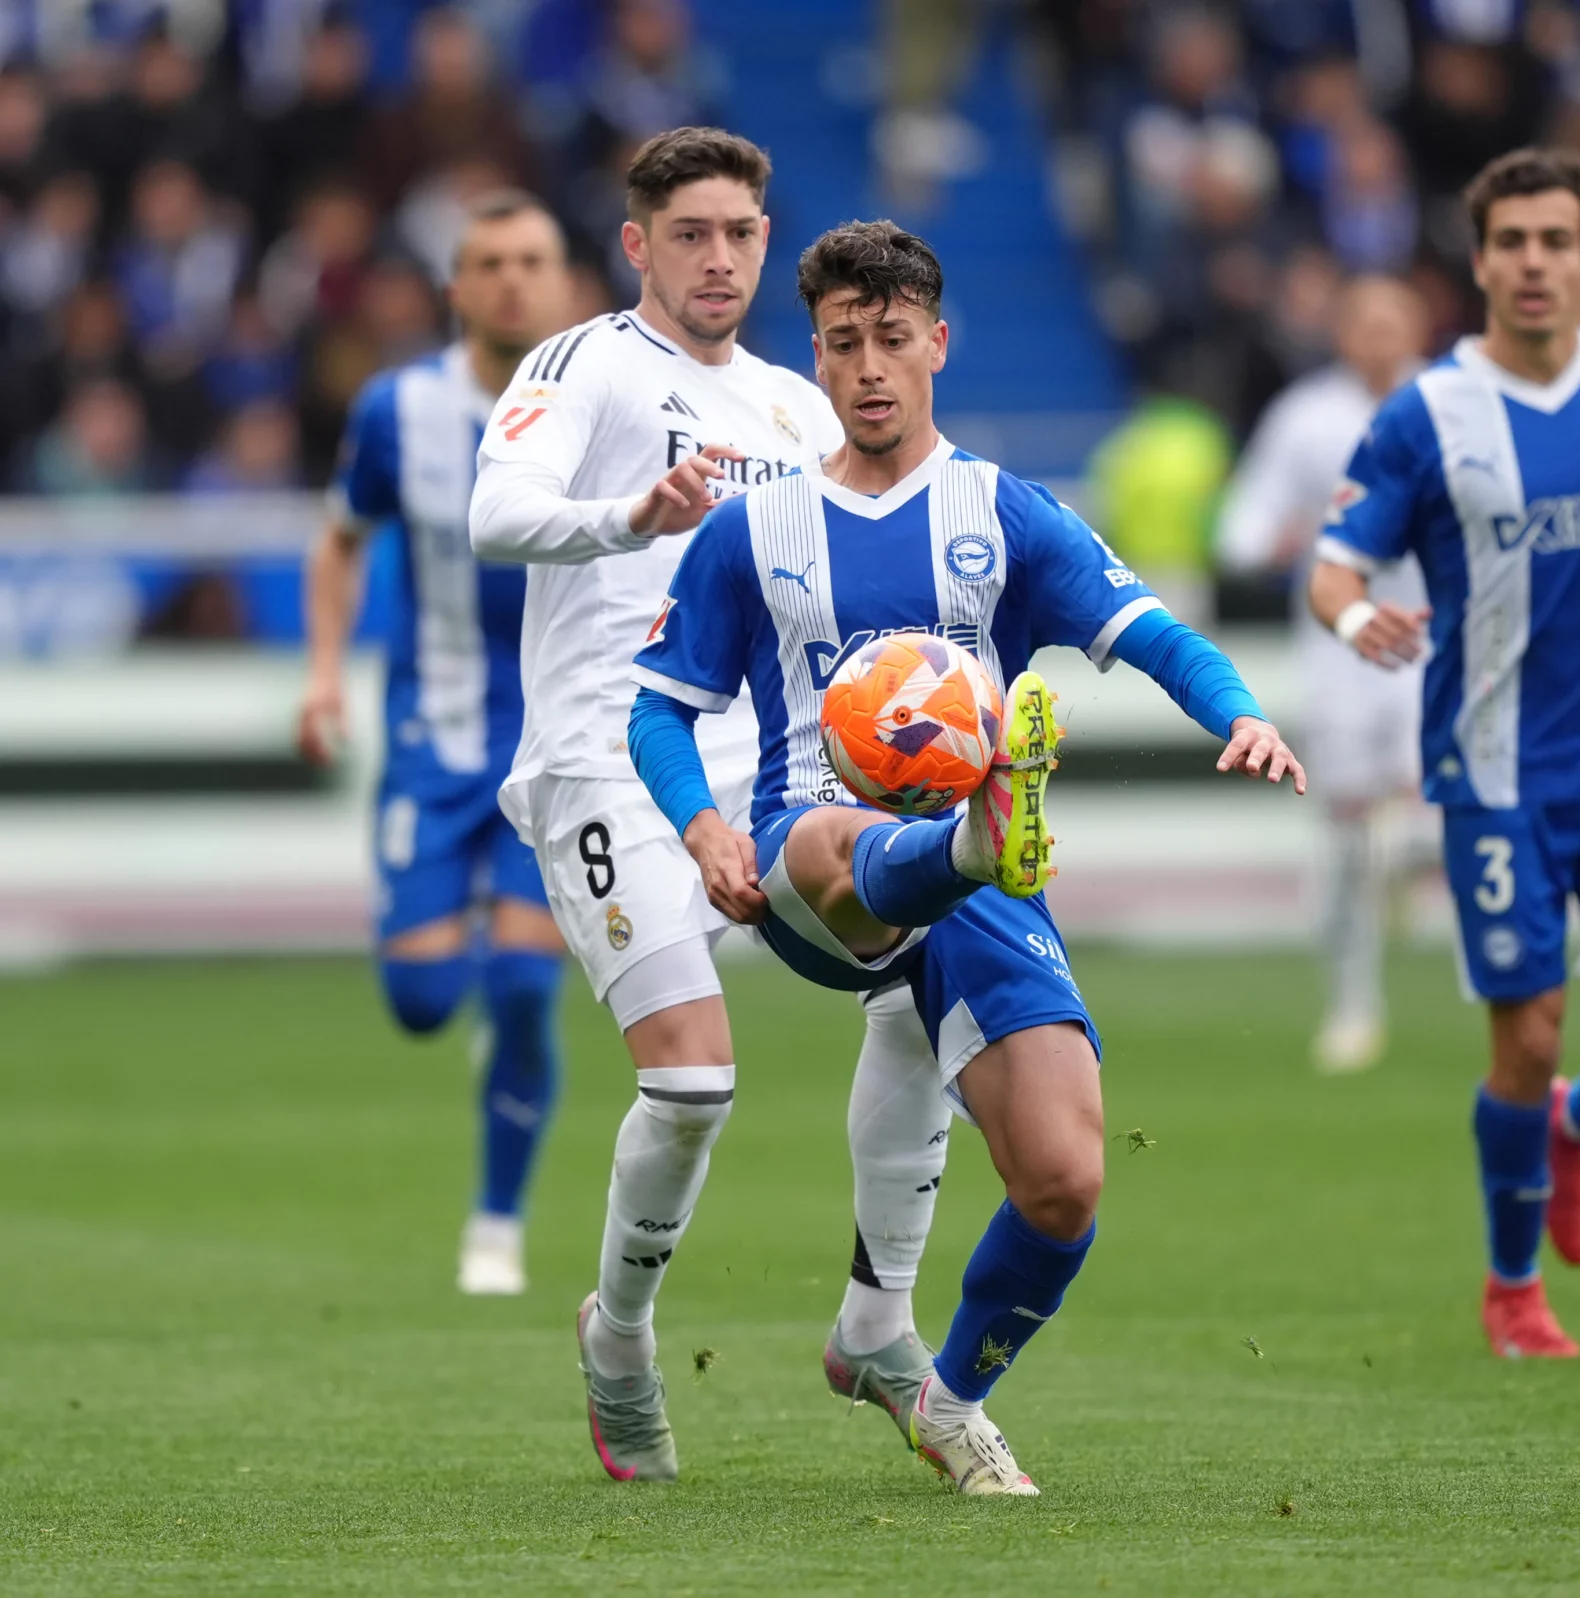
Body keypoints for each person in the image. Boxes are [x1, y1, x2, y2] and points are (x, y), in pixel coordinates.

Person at [629, 220, 1307, 1493]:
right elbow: (659, 704)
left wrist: (1244, 714)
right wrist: (702, 823)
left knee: (1062, 1181)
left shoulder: (1005, 513)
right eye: (843, 344)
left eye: (893, 339)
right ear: (817, 360)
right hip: (807, 864)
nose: (870, 366)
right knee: (840, 835)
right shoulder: (751, 528)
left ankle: (945, 1395)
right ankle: (972, 834)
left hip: (982, 886)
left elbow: (1151, 630)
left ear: (937, 342)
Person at [467, 129, 954, 1484]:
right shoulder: (583, 366)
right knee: (690, 1078)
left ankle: (880, 1316)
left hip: (774, 768)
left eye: (742, 230)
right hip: (606, 760)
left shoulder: (798, 411)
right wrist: (628, 515)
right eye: (692, 233)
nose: (721, 256)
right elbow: (494, 512)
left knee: (928, 971)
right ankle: (617, 1337)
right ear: (638, 246)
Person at [1307, 148, 1580, 1359]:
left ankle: (1574, 1125)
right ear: (1481, 258)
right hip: (1492, 780)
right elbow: (1331, 566)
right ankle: (1513, 1289)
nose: (1536, 262)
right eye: (1513, 241)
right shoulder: (1428, 414)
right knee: (1529, 1034)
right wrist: (1357, 618)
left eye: (1558, 241)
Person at [296, 190, 576, 1296]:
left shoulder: (601, 406)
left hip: (554, 743)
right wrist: (324, 674)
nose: (513, 279)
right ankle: (455, 984)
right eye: (490, 261)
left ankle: (496, 1222)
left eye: (533, 259)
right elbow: (338, 541)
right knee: (422, 1004)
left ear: (563, 283)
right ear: (457, 287)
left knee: (520, 982)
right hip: (432, 730)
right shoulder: (395, 410)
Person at [1217, 274, 1431, 1073]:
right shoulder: (1306, 418)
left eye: (1393, 321)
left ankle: (1408, 870)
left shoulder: (1453, 406)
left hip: (1435, 643)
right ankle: (1353, 1005)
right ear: (1343, 332)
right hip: (1340, 651)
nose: (1379, 337)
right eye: (1364, 322)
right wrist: (1268, 540)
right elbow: (1245, 520)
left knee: (1432, 805)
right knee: (1345, 829)